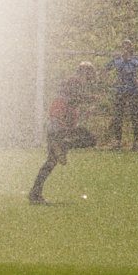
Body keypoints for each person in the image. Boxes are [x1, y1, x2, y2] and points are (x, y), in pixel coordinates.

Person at [27, 61, 97, 204]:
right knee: (90, 138)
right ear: (85, 72)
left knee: (51, 162)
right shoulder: (75, 82)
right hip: (59, 125)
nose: (91, 77)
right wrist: (90, 99)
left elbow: (71, 102)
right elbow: (72, 100)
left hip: (56, 125)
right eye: (90, 74)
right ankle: (65, 145)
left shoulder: (71, 83)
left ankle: (35, 193)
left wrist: (85, 106)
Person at [105, 37, 138, 150]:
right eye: (124, 46)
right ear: (121, 48)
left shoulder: (136, 60)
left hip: (133, 91)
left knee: (135, 116)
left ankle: (136, 143)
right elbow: (105, 69)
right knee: (118, 116)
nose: (126, 48)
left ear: (131, 48)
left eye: (128, 45)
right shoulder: (117, 60)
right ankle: (118, 142)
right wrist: (111, 82)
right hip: (119, 91)